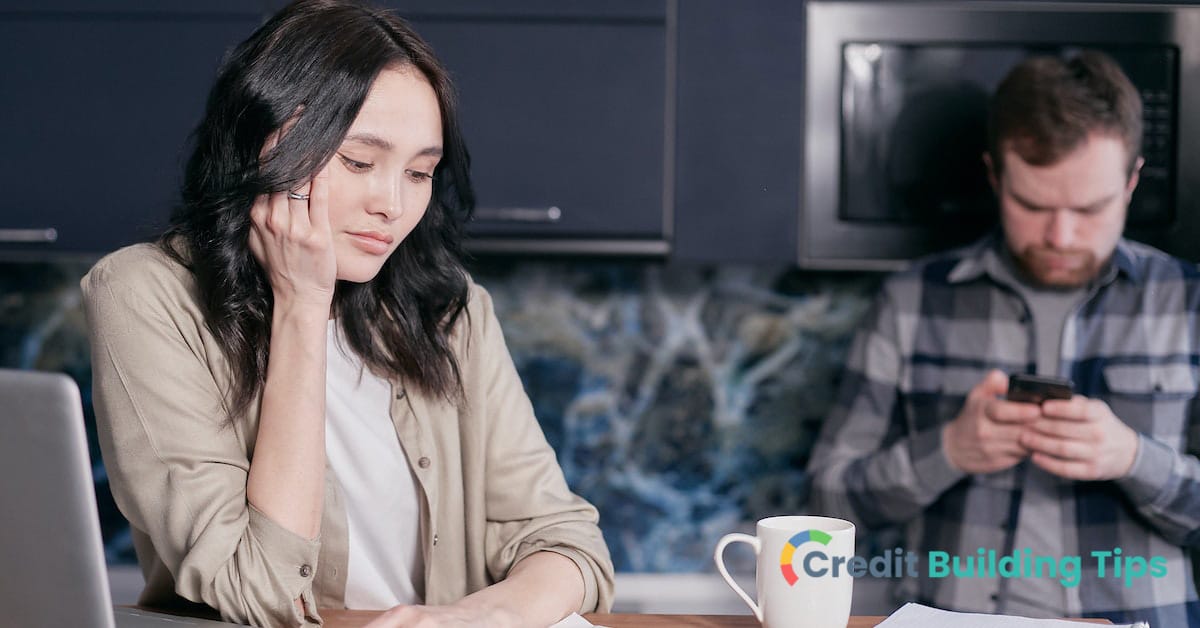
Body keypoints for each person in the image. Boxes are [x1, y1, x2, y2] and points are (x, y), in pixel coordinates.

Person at [81, 1, 614, 626]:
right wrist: (302, 305)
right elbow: (258, 590)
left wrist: (478, 617)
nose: (392, 204)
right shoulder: (143, 295)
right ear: (267, 145)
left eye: (420, 173)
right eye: (359, 162)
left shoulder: (450, 308)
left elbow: (570, 546)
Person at [807, 50, 1200, 625]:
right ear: (995, 176)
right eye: (1032, 204)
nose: (1061, 235)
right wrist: (947, 452)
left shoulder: (1190, 302)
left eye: (1090, 207)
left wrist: (1132, 458)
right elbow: (826, 503)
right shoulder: (911, 300)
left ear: (1132, 180)